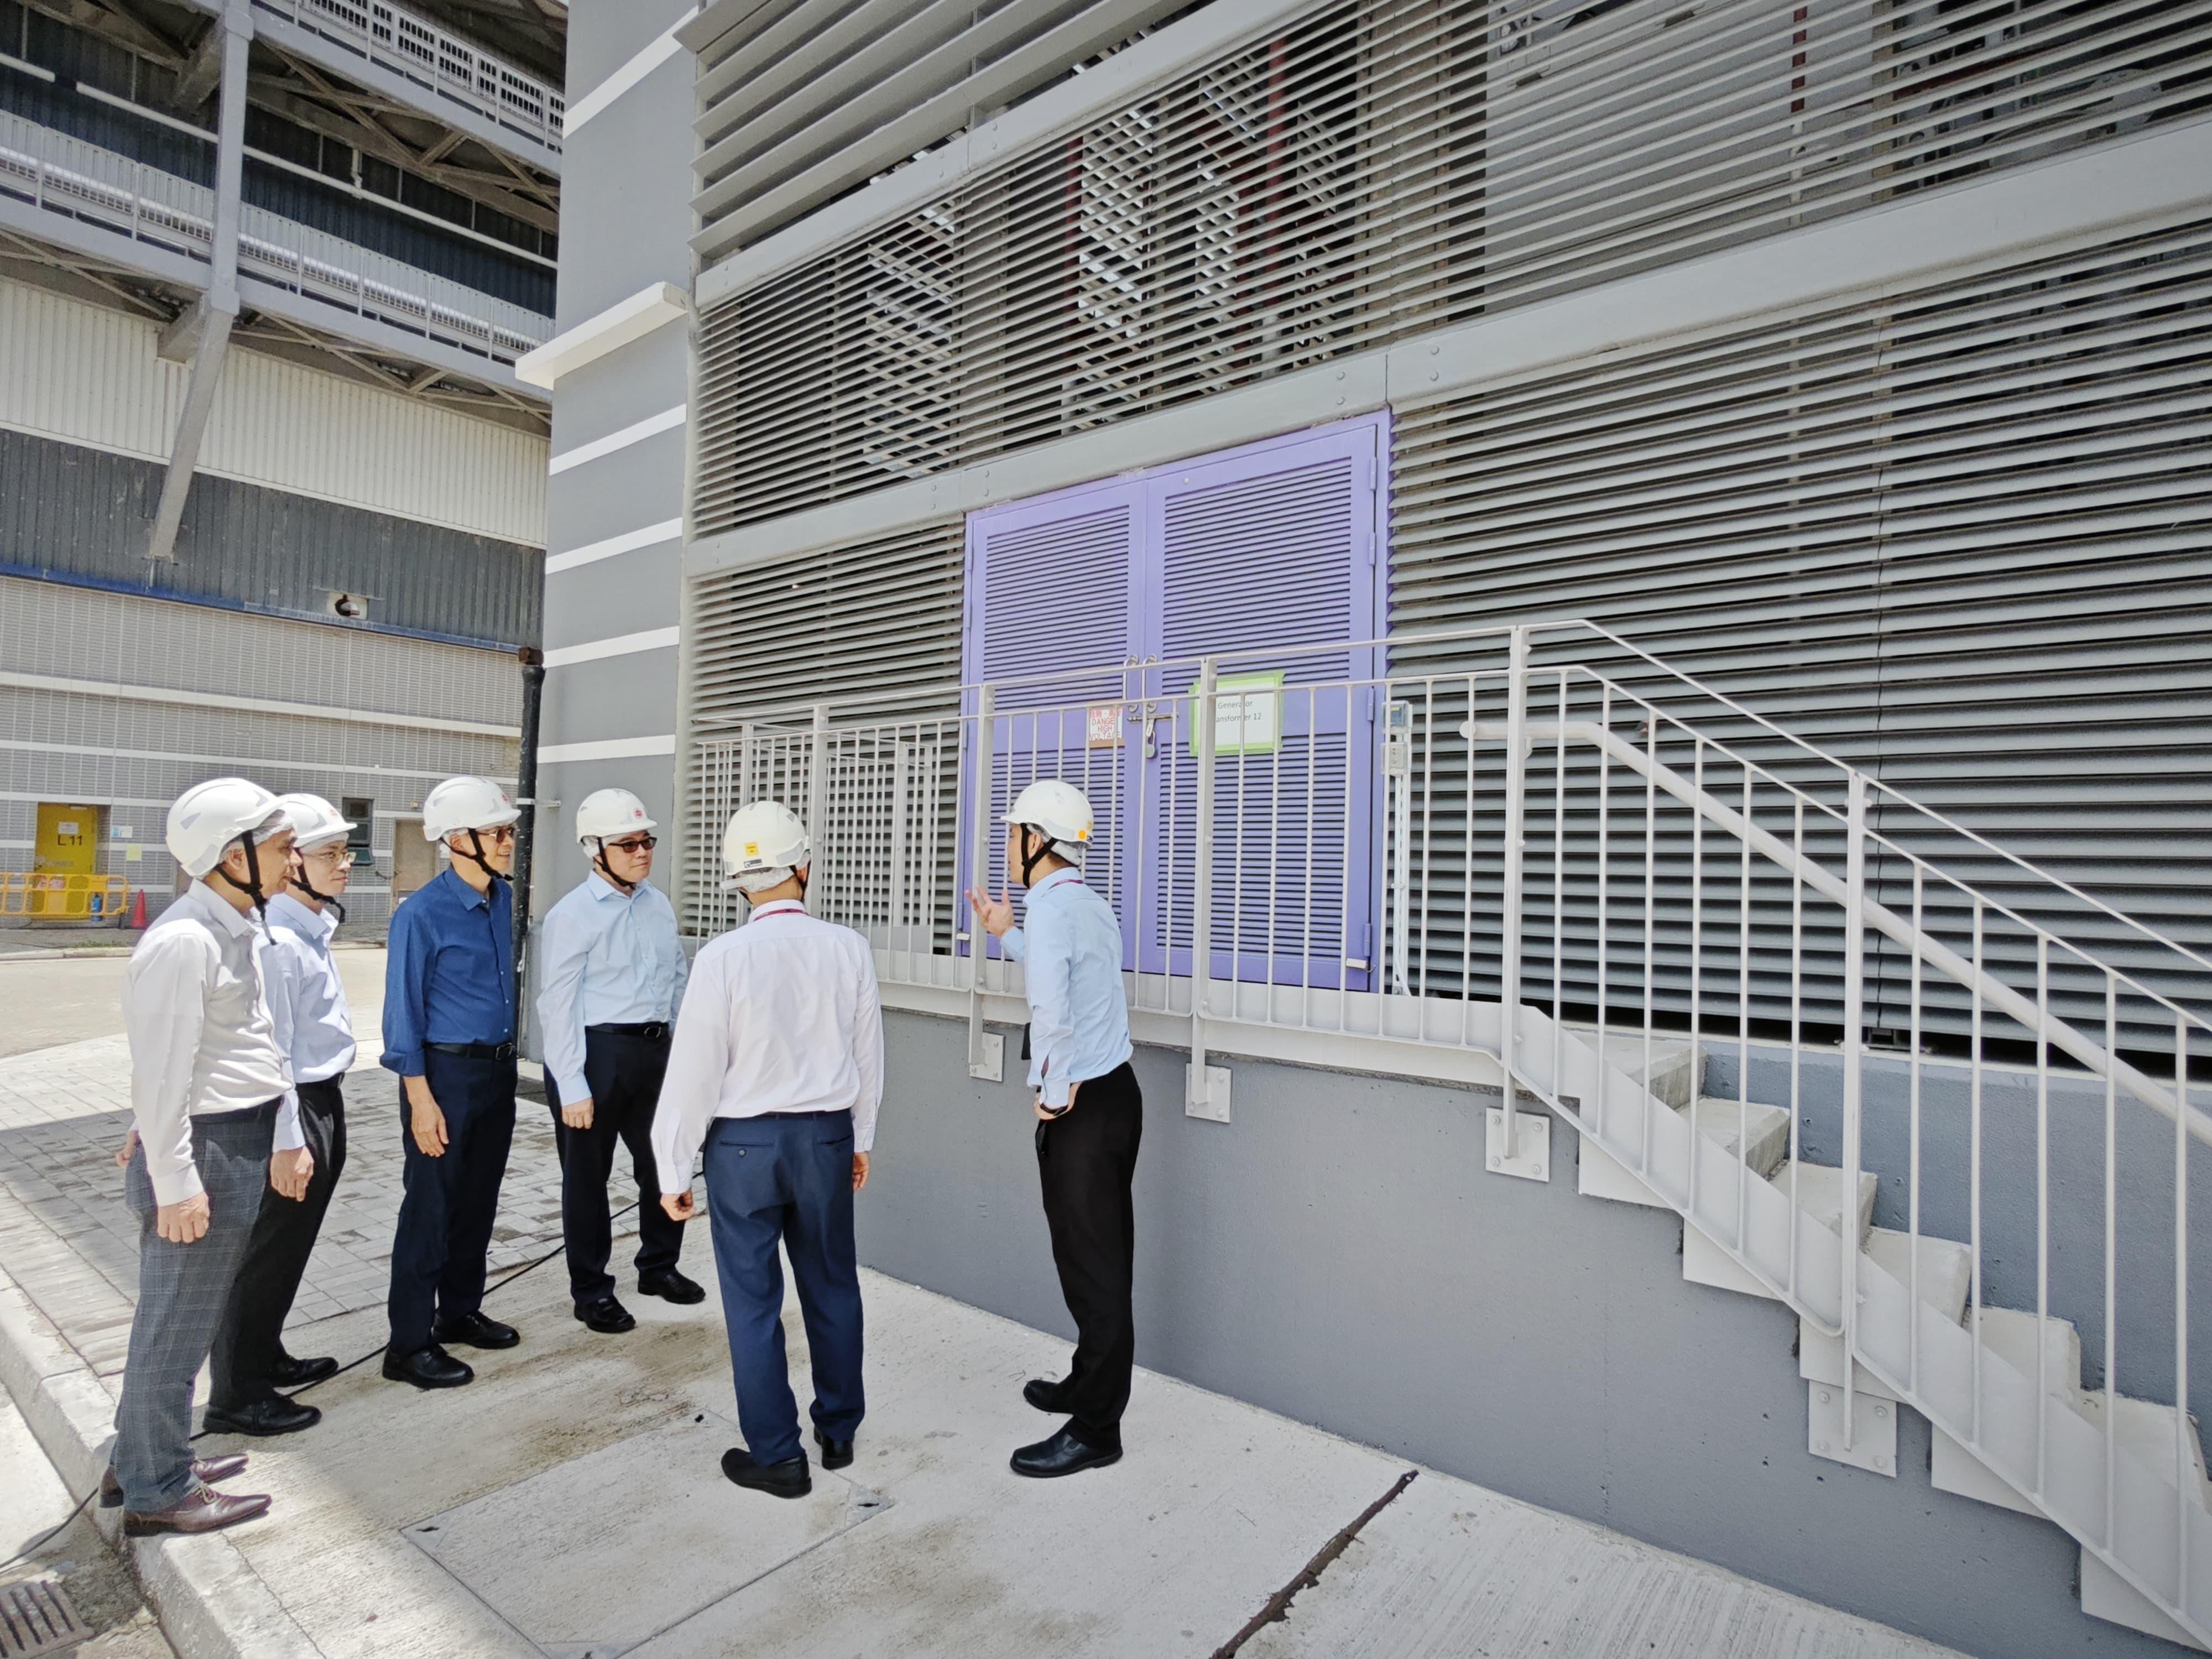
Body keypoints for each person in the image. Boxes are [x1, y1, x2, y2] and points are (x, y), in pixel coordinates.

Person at [654, 801, 881, 1500]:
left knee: (753, 1301)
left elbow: (694, 1070)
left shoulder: (721, 958)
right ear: (803, 866)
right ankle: (838, 1431)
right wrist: (861, 1138)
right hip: (824, 1135)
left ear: (738, 882)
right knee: (832, 1284)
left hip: (743, 1146)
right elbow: (867, 1055)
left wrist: (672, 1165)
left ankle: (778, 1456)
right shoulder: (846, 947)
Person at [108, 778, 312, 1535]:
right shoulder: (184, 942)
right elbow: (159, 1071)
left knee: (175, 1323)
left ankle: (142, 1455)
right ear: (233, 857)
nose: (294, 861)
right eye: (282, 848)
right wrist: (176, 1181)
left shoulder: (230, 928)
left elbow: (230, 1051)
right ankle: (156, 1489)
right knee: (175, 1326)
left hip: (228, 1140)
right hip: (205, 1153)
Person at [966, 779, 1139, 1479]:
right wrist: (1007, 934)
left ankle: (1097, 1428)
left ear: (1035, 841)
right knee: (1096, 1255)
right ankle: (1085, 1381)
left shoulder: (1055, 910)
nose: (1008, 845)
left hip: (1084, 1106)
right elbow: (1057, 967)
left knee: (1092, 1266)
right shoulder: (1080, 905)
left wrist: (1054, 1089)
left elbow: (1052, 1010)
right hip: (1115, 1097)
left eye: (1013, 835)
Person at [203, 794, 358, 1436]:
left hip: (323, 1097)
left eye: (344, 852)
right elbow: (277, 1055)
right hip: (294, 1105)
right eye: (328, 854)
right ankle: (238, 1392)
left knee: (289, 1247)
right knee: (266, 1251)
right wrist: (289, 1140)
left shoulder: (307, 931)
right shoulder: (279, 943)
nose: (343, 865)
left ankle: (265, 1355)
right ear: (291, 864)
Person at [536, 787, 700, 1334]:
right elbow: (555, 1005)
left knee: (663, 1163)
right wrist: (571, 1084)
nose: (642, 852)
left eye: (646, 841)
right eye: (627, 844)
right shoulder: (572, 916)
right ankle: (591, 1291)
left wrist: (684, 1051)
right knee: (587, 1178)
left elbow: (675, 978)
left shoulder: (656, 903)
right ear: (594, 850)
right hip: (594, 1054)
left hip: (654, 1052)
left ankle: (658, 1267)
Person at [380, 775, 522, 1390]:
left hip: (496, 1071)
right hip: (444, 1075)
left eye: (509, 831)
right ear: (457, 840)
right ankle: (408, 1345)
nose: (509, 841)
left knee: (477, 1201)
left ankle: (459, 1312)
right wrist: (420, 1099)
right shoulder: (421, 914)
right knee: (431, 1208)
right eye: (497, 832)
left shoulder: (504, 899)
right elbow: (402, 1013)